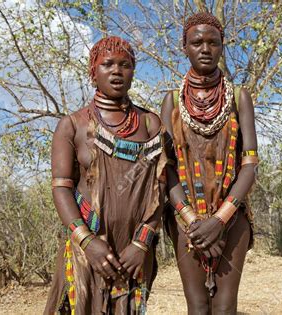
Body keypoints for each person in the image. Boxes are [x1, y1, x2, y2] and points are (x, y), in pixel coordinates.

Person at [44, 36, 166, 314]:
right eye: (107, 64)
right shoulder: (72, 125)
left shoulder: (150, 123)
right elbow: (61, 188)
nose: (116, 71)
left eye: (125, 64)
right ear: (93, 72)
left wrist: (142, 243)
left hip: (134, 251)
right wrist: (87, 242)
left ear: (133, 71)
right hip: (88, 247)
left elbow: (160, 187)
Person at [160, 12, 258, 314]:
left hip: (232, 216)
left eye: (213, 42)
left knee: (225, 308)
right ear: (184, 47)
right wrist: (194, 222)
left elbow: (250, 163)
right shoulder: (172, 101)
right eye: (197, 42)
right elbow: (167, 167)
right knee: (198, 307)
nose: (205, 48)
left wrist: (219, 220)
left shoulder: (239, 97)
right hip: (185, 221)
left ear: (222, 45)